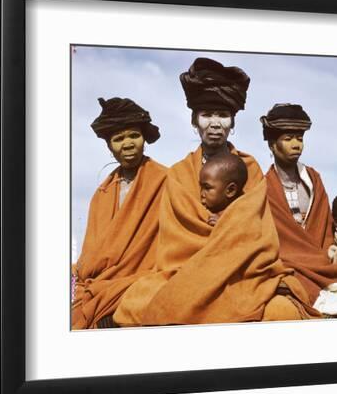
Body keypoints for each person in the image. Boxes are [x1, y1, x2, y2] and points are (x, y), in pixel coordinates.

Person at [114, 58, 315, 326]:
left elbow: (259, 233)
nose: (215, 123)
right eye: (206, 114)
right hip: (187, 270)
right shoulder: (179, 173)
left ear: (233, 121)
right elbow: (177, 239)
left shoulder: (250, 168)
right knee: (136, 302)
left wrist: (228, 227)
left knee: (282, 311)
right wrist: (224, 232)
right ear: (194, 121)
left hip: (242, 272)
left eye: (223, 115)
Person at [261, 103, 337, 317]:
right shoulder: (263, 187)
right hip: (285, 260)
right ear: (272, 145)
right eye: (288, 139)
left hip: (320, 259)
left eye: (300, 138)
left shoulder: (313, 179)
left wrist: (324, 256)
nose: (296, 145)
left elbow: (324, 227)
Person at [71, 97, 167, 329]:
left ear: (144, 138)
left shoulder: (167, 180)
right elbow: (92, 252)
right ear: (109, 146)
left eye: (134, 135)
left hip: (146, 280)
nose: (128, 144)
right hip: (101, 284)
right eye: (118, 138)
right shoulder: (102, 194)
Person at [199, 153, 248, 226]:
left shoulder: (245, 213)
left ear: (230, 190)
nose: (201, 194)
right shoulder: (202, 211)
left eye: (207, 188)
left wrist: (224, 226)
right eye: (201, 187)